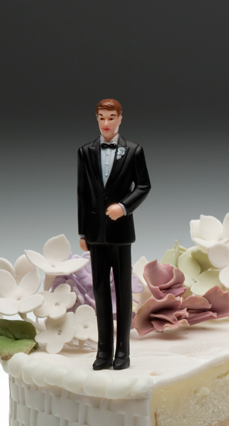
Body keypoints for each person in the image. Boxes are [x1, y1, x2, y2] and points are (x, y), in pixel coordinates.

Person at [77, 99, 151, 370]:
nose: (106, 123)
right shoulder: (85, 152)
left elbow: (143, 185)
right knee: (100, 293)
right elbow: (83, 195)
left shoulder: (133, 151)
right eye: (101, 118)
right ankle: (103, 351)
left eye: (111, 118)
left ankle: (123, 352)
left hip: (120, 233)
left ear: (120, 119)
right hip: (96, 233)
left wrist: (124, 207)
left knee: (122, 292)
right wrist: (83, 231)